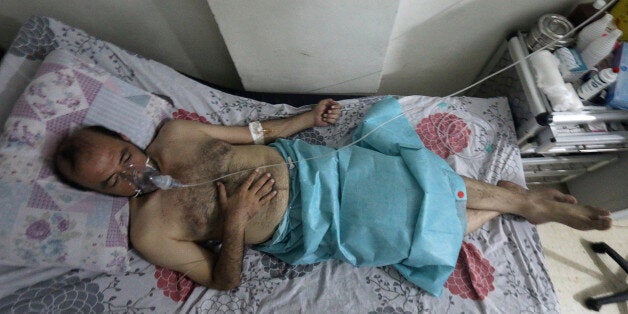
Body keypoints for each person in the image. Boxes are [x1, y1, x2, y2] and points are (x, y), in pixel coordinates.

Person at [54, 97, 612, 296]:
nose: (130, 175)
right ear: (100, 194)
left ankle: (517, 203)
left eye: (124, 158)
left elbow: (258, 135)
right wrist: (238, 220)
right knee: (408, 230)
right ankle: (515, 202)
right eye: (112, 182)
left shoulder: (175, 134)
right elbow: (223, 281)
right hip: (315, 228)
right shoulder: (148, 230)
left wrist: (306, 118)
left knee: (411, 179)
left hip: (325, 169)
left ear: (127, 138)